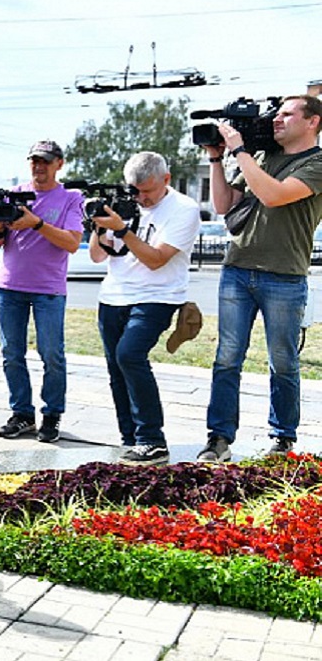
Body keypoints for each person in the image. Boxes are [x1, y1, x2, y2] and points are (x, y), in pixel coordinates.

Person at [199, 95, 322, 462]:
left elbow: (273, 196)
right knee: (227, 357)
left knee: (282, 360)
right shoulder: (261, 157)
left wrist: (240, 151)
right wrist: (217, 159)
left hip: (284, 276)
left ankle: (283, 438)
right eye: (277, 113)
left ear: (313, 121)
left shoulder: (317, 163)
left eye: (287, 114)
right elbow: (224, 205)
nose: (277, 120)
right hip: (237, 269)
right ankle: (218, 438)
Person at [88, 152, 201, 466]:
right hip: (113, 295)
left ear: (166, 179)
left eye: (147, 191)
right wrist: (100, 227)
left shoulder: (184, 209)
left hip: (159, 295)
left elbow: (155, 260)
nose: (141, 198)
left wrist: (123, 230)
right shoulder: (124, 204)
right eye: (134, 191)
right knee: (116, 367)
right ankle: (131, 440)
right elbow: (97, 257)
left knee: (130, 354)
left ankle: (152, 439)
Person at [0, 140, 84, 444]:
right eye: (34, 161)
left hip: (48, 289)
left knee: (52, 353)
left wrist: (36, 223)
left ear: (59, 164)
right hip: (10, 285)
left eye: (45, 161)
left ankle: (51, 414)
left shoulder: (70, 197)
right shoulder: (15, 195)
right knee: (11, 353)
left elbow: (71, 242)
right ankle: (22, 414)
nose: (39, 167)